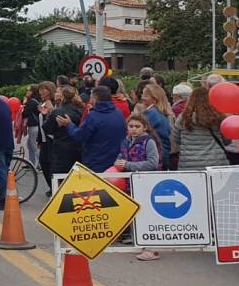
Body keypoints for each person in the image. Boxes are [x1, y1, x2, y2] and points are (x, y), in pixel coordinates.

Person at [113, 114, 163, 261]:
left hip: (146, 182)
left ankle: (150, 248)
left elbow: (153, 163)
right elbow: (121, 156)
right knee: (133, 209)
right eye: (131, 126)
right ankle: (133, 237)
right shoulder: (125, 141)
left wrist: (128, 165)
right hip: (130, 182)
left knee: (146, 213)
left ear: (145, 128)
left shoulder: (149, 142)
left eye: (137, 126)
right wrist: (118, 162)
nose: (134, 129)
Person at [57, 86, 126, 173]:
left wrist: (69, 125)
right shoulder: (118, 113)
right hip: (116, 160)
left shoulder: (93, 116)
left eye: (91, 97)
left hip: (96, 161)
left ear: (95, 98)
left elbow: (79, 136)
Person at [172, 85, 229, 171]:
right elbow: (227, 141)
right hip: (216, 162)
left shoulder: (183, 118)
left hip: (189, 163)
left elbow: (176, 139)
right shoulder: (218, 117)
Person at [43, 86, 85, 183]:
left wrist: (49, 113)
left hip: (61, 149)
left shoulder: (58, 111)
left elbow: (47, 128)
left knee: (61, 179)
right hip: (78, 148)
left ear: (62, 97)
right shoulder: (81, 109)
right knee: (77, 178)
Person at [138, 83, 173, 162]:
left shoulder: (152, 113)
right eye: (142, 94)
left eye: (146, 95)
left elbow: (139, 134)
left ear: (155, 98)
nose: (142, 98)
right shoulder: (161, 112)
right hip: (162, 153)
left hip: (156, 155)